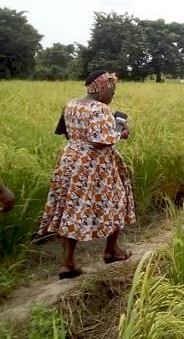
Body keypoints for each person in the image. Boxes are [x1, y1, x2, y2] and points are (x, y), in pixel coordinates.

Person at [38, 71, 136, 279]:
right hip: (95, 163)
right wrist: (122, 131)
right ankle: (112, 250)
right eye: (111, 90)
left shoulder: (71, 104)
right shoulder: (100, 109)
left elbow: (64, 132)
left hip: (70, 159)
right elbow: (102, 141)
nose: (112, 95)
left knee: (71, 206)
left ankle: (68, 263)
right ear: (101, 88)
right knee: (116, 200)